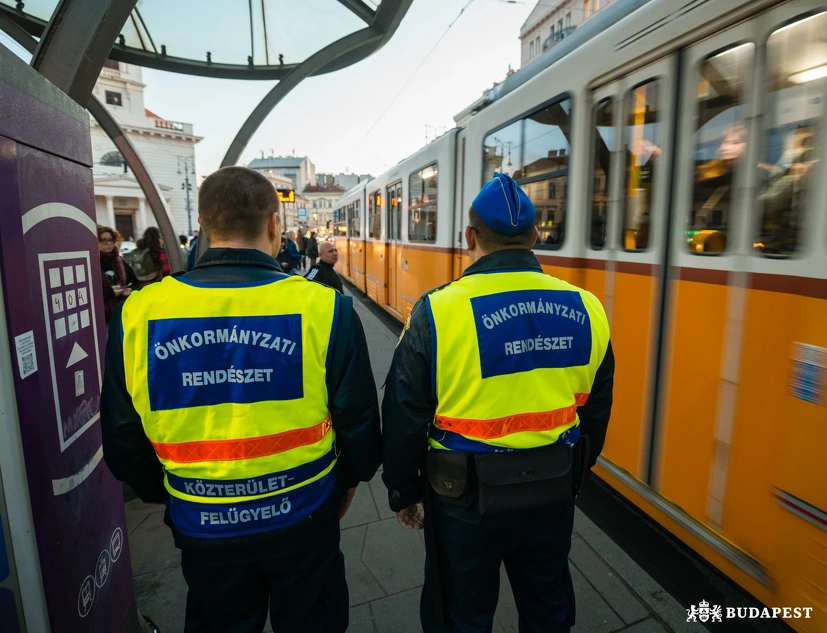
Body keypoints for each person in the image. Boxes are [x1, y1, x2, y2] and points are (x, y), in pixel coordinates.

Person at [101, 166, 381, 632]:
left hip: (201, 521)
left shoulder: (139, 312)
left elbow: (122, 435)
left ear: (204, 227)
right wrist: (349, 481)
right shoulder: (325, 306)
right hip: (304, 513)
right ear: (275, 225)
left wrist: (174, 495)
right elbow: (358, 420)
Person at [382, 173, 615, 633]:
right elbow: (597, 409)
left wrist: (403, 492)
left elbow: (403, 411)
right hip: (551, 489)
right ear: (534, 237)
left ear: (470, 237)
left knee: (462, 615)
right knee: (548, 607)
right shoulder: (588, 307)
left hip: (464, 500)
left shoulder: (438, 310)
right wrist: (574, 471)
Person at [97, 225, 137, 324]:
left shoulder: (120, 262)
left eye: (111, 240)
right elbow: (87, 295)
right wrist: (110, 292)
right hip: (100, 318)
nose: (109, 243)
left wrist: (129, 290)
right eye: (103, 240)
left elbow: (135, 282)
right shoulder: (90, 263)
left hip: (122, 314)